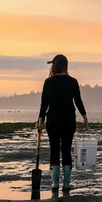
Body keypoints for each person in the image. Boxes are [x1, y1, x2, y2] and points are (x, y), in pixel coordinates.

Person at [36, 54, 89, 192]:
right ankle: (66, 183)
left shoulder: (48, 82)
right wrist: (85, 117)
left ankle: (54, 183)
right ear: (66, 66)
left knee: (54, 149)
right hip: (68, 120)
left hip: (52, 120)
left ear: (54, 66)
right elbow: (78, 101)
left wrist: (39, 121)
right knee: (66, 149)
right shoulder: (72, 82)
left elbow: (44, 104)